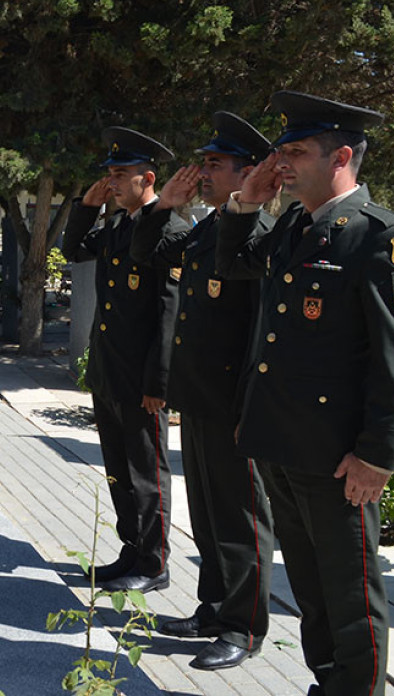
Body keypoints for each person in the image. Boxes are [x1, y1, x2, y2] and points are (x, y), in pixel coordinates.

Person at [216, 91, 394, 696]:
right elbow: (238, 269)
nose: (281, 160)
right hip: (284, 444)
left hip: (340, 460)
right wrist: (245, 203)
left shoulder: (382, 237)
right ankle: (327, 684)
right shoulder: (294, 222)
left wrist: (378, 455)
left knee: (351, 596)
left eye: (296, 150)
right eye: (280, 149)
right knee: (309, 589)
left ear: (340, 156)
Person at [131, 112, 275, 670]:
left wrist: (249, 409)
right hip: (200, 401)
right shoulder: (210, 229)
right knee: (210, 514)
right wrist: (164, 206)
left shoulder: (257, 234)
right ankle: (213, 608)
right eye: (206, 163)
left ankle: (244, 627)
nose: (205, 173)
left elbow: (263, 333)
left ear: (249, 172)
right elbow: (150, 253)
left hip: (233, 405)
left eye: (216, 164)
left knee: (241, 518)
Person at [61, 127, 185, 594]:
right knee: (118, 470)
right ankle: (131, 551)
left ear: (147, 178)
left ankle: (154, 564)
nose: (111, 181)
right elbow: (73, 250)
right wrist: (88, 207)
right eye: (108, 174)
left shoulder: (170, 229)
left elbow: (168, 314)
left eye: (120, 174)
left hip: (141, 381)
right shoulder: (117, 224)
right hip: (110, 372)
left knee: (147, 474)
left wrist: (159, 383)